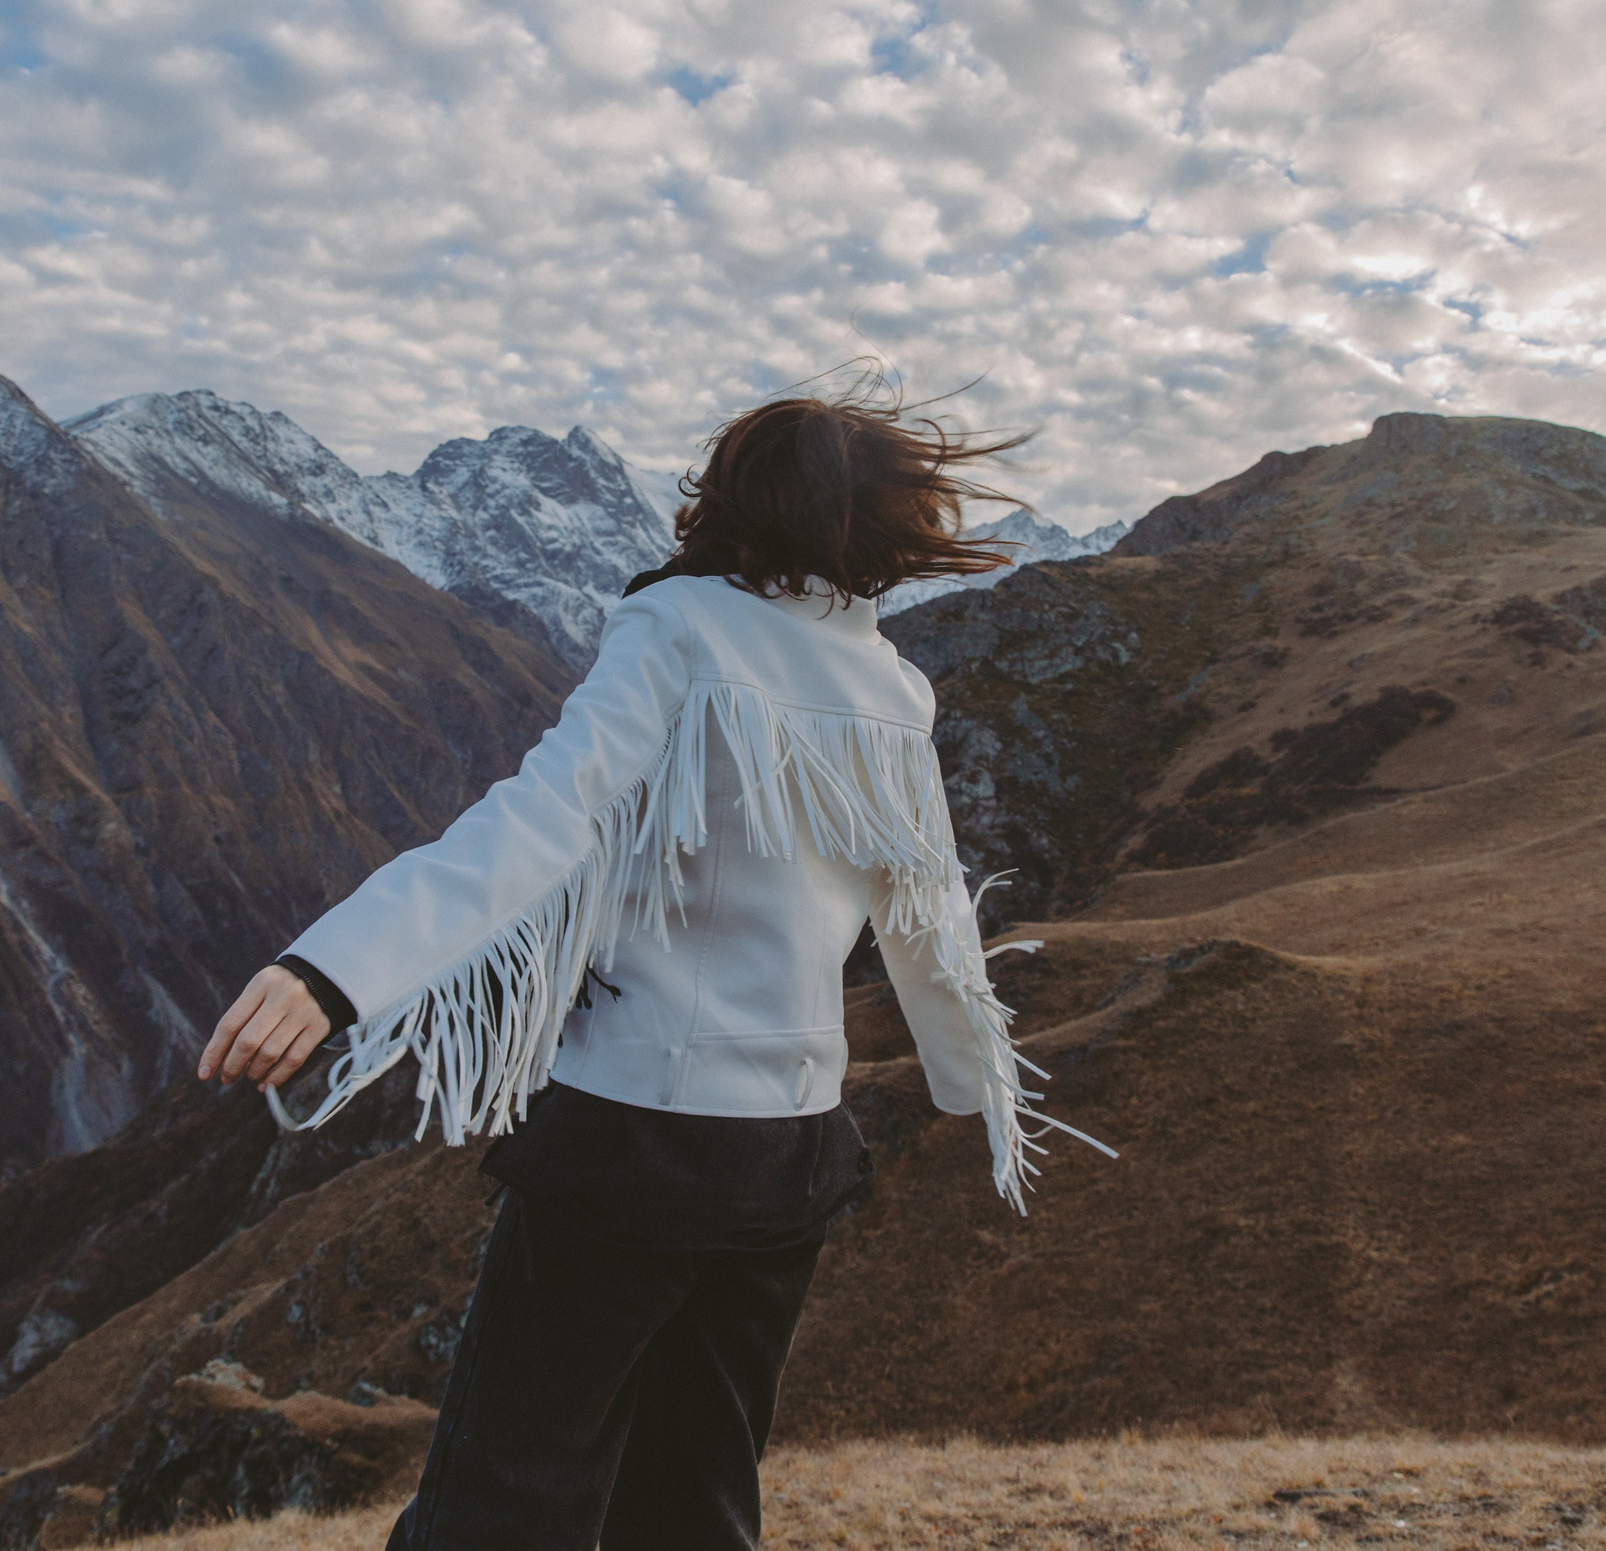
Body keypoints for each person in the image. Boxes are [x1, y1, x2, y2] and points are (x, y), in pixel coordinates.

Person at [196, 386, 1114, 1550]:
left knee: (505, 1496)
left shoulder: (679, 628)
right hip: (793, 1144)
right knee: (697, 1496)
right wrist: (969, 1086)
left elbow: (542, 818)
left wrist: (333, 973)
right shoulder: (889, 685)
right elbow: (925, 899)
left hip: (638, 1132)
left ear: (734, 501)